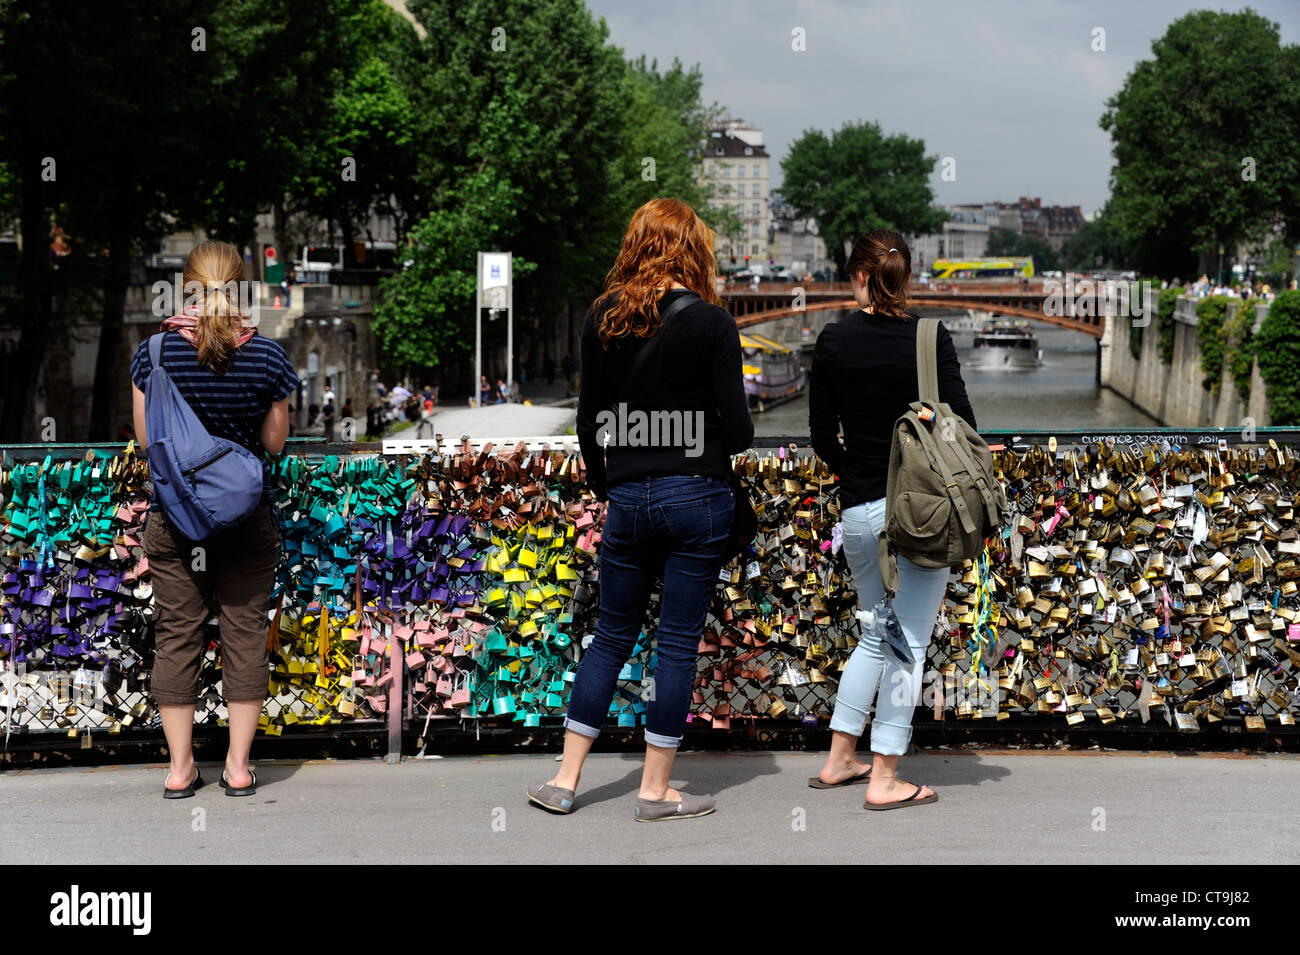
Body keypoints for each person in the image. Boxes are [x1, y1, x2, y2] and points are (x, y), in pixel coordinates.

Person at [528, 197, 753, 821]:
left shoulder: (604, 318)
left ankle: (565, 779)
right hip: (697, 496)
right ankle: (654, 791)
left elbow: (588, 422)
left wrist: (612, 485)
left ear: (637, 245)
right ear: (693, 250)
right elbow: (736, 433)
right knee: (675, 644)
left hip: (628, 497)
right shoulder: (711, 323)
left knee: (610, 636)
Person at [807, 229, 977, 811]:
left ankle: (839, 760)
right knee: (907, 642)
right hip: (920, 513)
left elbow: (819, 435)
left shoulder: (832, 340)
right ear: (907, 278)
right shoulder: (930, 338)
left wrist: (856, 471)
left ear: (858, 276)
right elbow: (963, 425)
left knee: (874, 637)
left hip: (858, 508)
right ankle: (883, 779)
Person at [129, 240, 298, 798]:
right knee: (244, 635)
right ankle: (238, 768)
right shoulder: (268, 356)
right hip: (246, 519)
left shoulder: (152, 353)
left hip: (176, 519)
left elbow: (147, 440)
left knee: (176, 635)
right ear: (242, 287)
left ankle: (179, 771)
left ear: (187, 287)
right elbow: (274, 445)